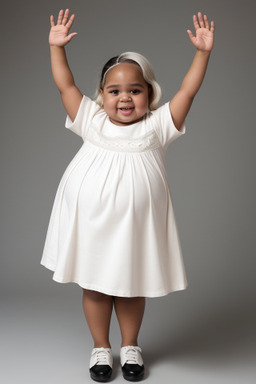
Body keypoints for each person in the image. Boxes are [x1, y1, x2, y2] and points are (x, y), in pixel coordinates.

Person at [41, 8, 215, 382]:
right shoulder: (91, 119)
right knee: (96, 285)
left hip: (135, 226)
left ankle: (131, 345)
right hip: (90, 221)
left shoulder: (158, 126)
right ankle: (101, 348)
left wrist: (202, 54)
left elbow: (188, 90)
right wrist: (57, 49)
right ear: (101, 95)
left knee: (132, 285)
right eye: (114, 91)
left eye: (134, 90)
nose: (124, 98)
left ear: (149, 94)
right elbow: (65, 86)